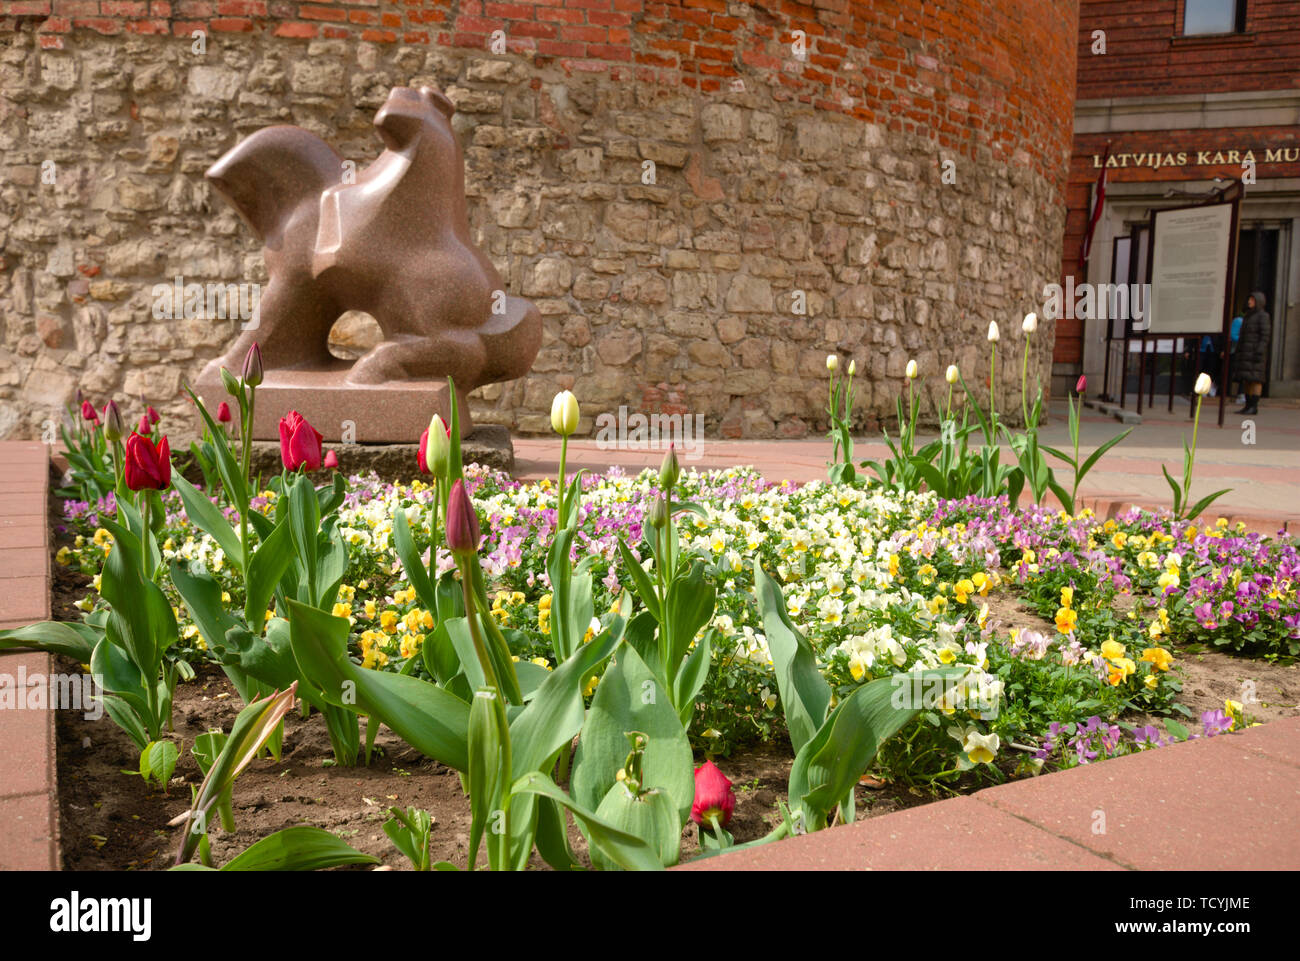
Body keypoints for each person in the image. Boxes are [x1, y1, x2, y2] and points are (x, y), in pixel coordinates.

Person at [1234, 291, 1270, 415]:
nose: (1249, 302)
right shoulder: (1248, 316)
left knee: (1255, 380)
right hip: (1246, 353)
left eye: (1252, 300)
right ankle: (1248, 405)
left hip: (1255, 353)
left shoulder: (1263, 316)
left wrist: (1259, 350)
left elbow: (1265, 335)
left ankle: (1254, 406)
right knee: (1247, 379)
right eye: (1249, 299)